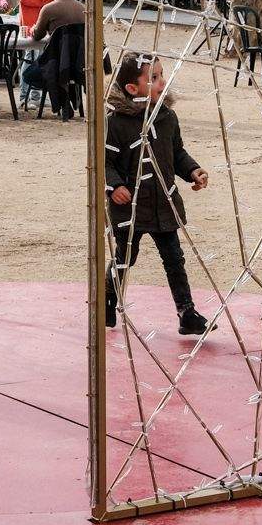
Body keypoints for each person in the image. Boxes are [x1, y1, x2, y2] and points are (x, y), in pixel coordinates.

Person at [104, 54, 210, 335]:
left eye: (161, 75)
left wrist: (193, 171)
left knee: (174, 258)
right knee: (126, 256)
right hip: (132, 207)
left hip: (163, 203)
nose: (161, 82)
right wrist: (115, 187)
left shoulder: (167, 117)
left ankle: (186, 312)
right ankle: (108, 296)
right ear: (131, 89)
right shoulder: (116, 122)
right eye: (152, 78)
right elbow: (105, 161)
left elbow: (176, 153)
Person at [20, 0, 84, 99]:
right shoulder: (82, 8)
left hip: (56, 63)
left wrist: (33, 29)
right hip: (78, 63)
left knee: (28, 74)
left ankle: (41, 97)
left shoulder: (48, 9)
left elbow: (38, 36)